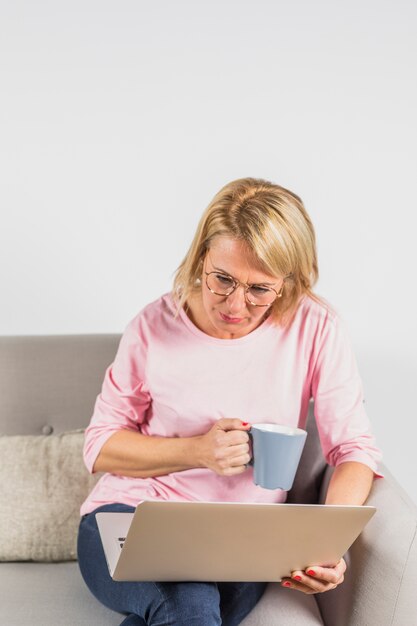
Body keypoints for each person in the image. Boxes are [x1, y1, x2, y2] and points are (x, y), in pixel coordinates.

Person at [77, 177, 382, 626]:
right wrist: (197, 451)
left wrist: (325, 543)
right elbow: (99, 447)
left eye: (260, 289)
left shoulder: (316, 328)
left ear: (289, 281)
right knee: (190, 602)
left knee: (187, 609)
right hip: (133, 515)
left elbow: (353, 449)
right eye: (222, 279)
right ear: (202, 257)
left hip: (244, 538)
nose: (236, 305)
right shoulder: (152, 327)